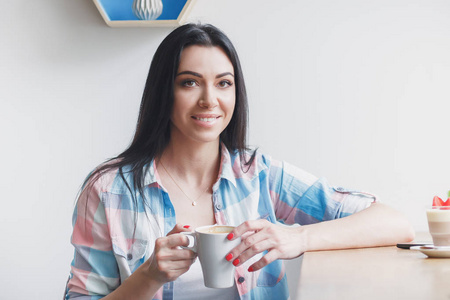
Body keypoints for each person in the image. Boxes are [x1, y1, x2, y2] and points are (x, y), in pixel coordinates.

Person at [64, 23, 414, 300]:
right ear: (163, 92)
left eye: (224, 83)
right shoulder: (109, 189)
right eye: (189, 83)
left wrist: (297, 239)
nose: (209, 100)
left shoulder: (259, 175)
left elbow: (395, 223)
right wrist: (149, 274)